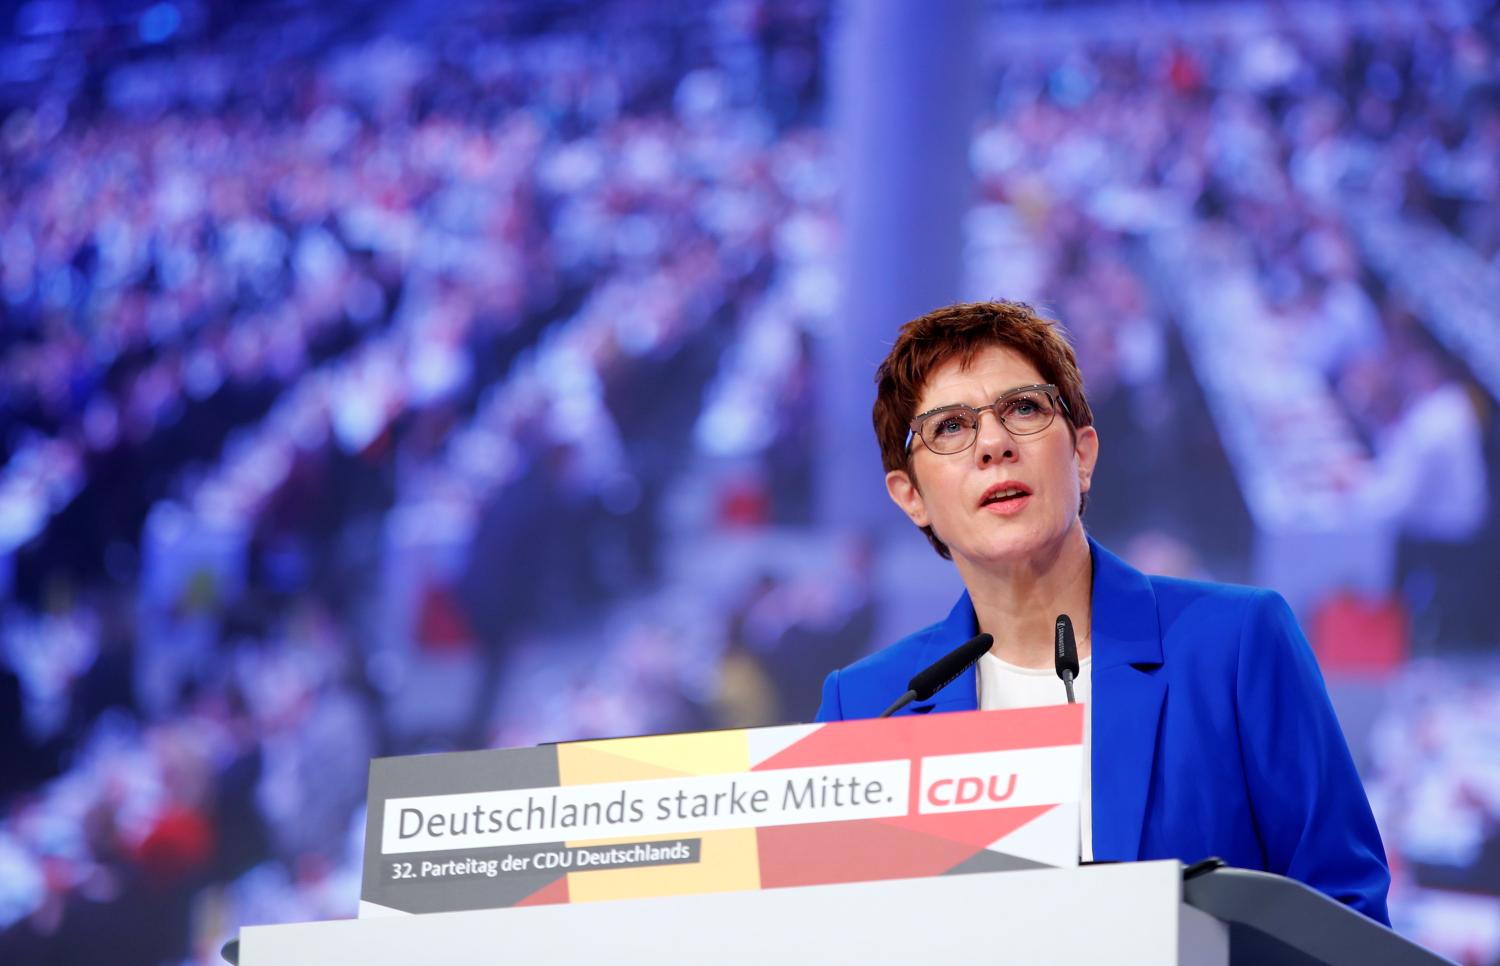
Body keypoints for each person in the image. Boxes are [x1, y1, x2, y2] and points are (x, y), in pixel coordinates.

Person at [815, 300, 1391, 924]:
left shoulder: (1235, 644)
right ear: (911, 496)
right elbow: (836, 933)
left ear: (1082, 455)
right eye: (949, 427)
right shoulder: (868, 707)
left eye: (1024, 409)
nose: (993, 444)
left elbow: (1346, 912)